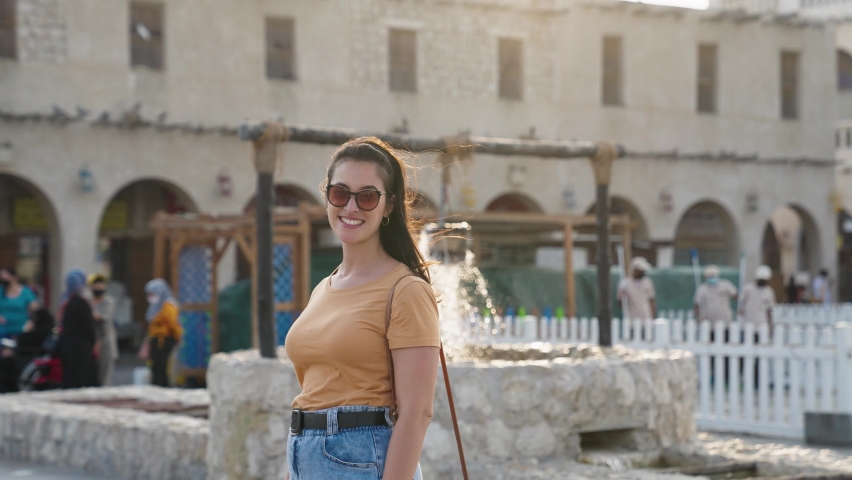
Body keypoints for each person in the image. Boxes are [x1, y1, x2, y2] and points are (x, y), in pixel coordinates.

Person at [284, 138, 439, 480]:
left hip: (361, 458)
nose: (351, 207)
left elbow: (418, 412)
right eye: (340, 193)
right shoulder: (323, 288)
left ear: (388, 206)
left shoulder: (406, 290)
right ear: (327, 196)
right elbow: (313, 393)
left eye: (367, 196)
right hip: (303, 454)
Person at [57, 269, 99, 388]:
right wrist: (93, 340)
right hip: (81, 346)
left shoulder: (65, 299)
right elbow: (88, 325)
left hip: (66, 344)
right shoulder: (81, 302)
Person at [139, 279, 182, 387]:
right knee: (155, 366)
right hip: (155, 339)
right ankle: (157, 387)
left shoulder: (168, 306)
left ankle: (163, 387)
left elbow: (173, 323)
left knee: (162, 365)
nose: (150, 297)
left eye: (152, 294)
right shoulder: (155, 307)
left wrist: (177, 337)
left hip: (166, 339)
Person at [87, 274, 118, 386]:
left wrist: (87, 312)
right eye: (96, 286)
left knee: (104, 377)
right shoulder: (87, 302)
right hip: (90, 343)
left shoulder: (108, 302)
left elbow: (101, 317)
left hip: (106, 344)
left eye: (101, 285)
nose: (99, 288)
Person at [0, 267, 39, 338]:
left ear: (14, 277)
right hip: (3, 331)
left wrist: (32, 320)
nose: (4, 280)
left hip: (22, 331)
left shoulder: (26, 292)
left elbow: (35, 308)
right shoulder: (1, 291)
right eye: (2, 278)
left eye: (7, 277)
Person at [738, 265, 776, 331]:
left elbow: (770, 310)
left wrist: (771, 325)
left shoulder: (769, 291)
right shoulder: (747, 289)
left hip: (762, 326)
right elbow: (740, 305)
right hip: (748, 325)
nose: (763, 281)